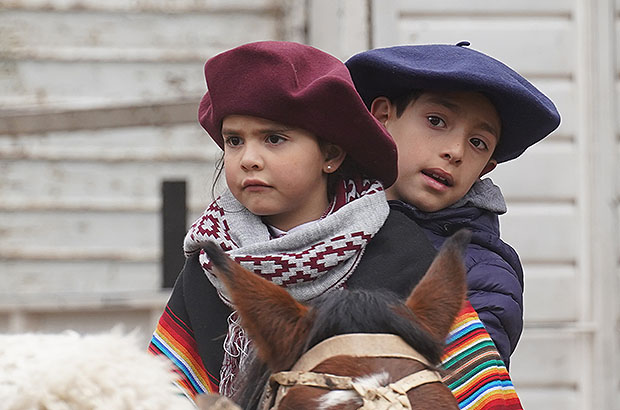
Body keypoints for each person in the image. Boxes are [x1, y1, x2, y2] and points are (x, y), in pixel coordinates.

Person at [147, 41, 438, 402]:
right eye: (234, 141)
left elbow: (460, 391)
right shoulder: (211, 263)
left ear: (330, 154)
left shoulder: (399, 252)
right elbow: (161, 394)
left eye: (274, 139)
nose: (248, 158)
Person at [345, 42, 561, 371]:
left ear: (485, 168)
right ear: (382, 117)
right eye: (437, 121)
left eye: (478, 143)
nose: (456, 151)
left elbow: (457, 389)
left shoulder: (483, 273)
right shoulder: (315, 222)